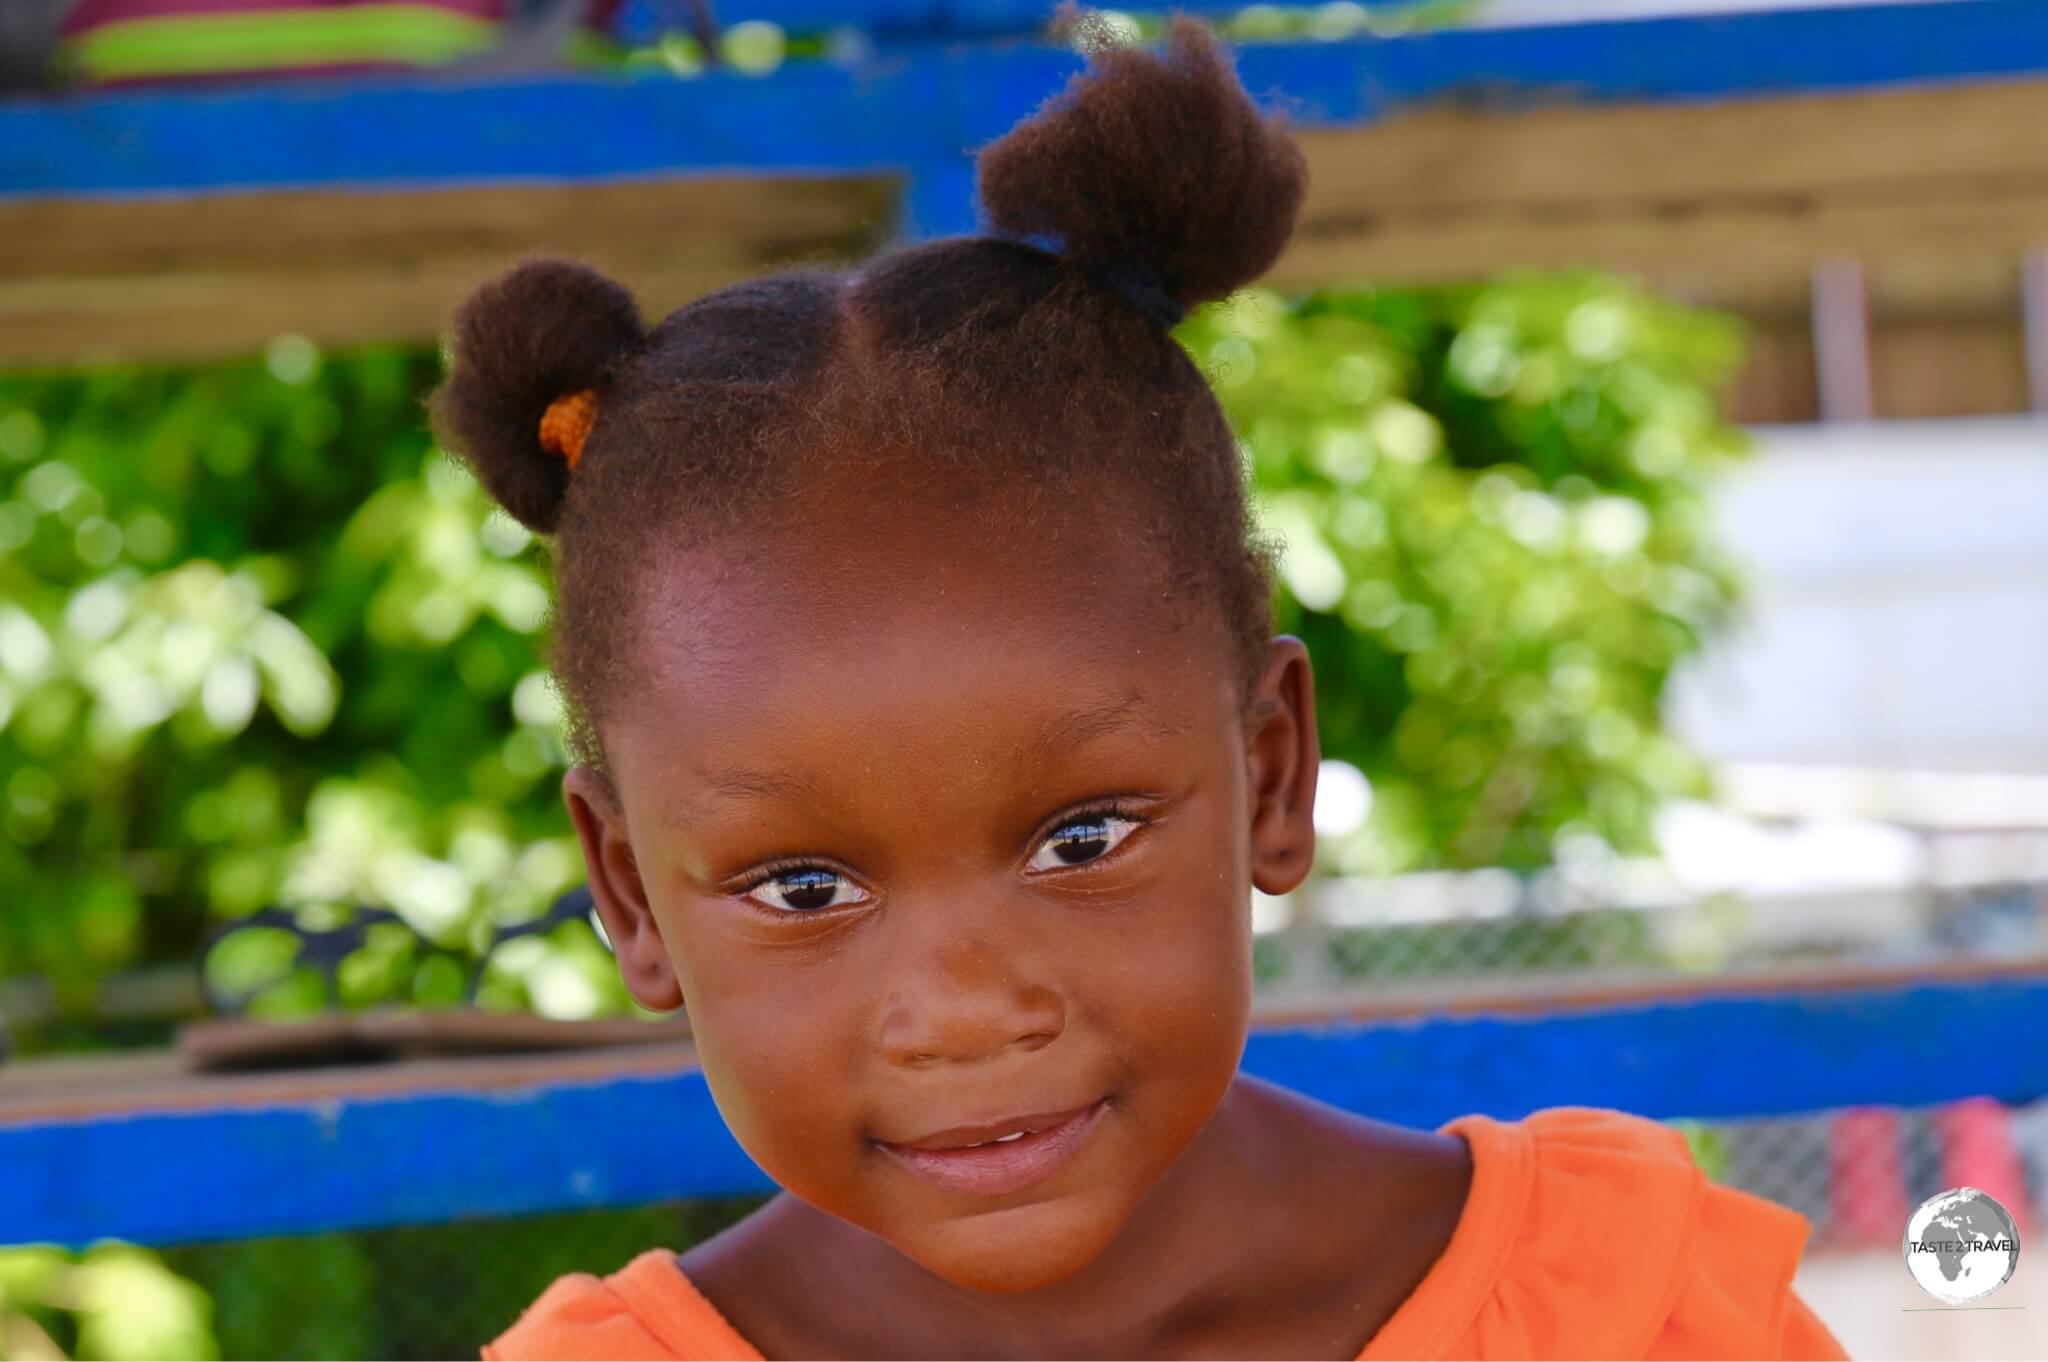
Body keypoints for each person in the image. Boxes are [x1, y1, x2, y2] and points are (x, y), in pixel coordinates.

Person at [433, 10, 1851, 1358]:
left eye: (1083, 837)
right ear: (628, 892)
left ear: (1272, 773)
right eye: (805, 888)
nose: (968, 1008)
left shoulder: (1631, 1314)